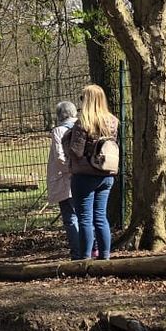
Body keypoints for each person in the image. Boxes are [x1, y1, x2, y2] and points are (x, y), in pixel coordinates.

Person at [63, 84, 119, 261]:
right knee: (100, 217)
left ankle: (84, 258)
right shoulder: (112, 121)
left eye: (82, 98)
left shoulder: (83, 122)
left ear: (87, 100)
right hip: (106, 174)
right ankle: (105, 256)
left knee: (85, 218)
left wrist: (66, 140)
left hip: (84, 176)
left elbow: (76, 152)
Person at [45, 100, 83, 260]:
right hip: (85, 176)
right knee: (85, 215)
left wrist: (70, 169)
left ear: (59, 115)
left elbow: (60, 157)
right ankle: (91, 248)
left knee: (70, 217)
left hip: (66, 179)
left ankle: (77, 253)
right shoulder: (83, 126)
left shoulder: (59, 131)